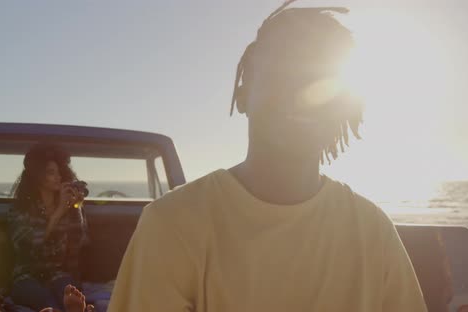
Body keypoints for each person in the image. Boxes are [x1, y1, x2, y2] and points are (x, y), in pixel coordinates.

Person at [108, 1, 427, 311]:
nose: (305, 95)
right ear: (244, 97)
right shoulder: (173, 224)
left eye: (324, 82)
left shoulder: (372, 229)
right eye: (283, 75)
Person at [8, 143, 89, 311]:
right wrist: (58, 212)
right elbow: (25, 245)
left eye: (59, 172)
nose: (58, 177)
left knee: (67, 291)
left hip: (57, 273)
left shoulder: (67, 207)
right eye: (51, 172)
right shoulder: (20, 209)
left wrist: (76, 207)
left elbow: (78, 242)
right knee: (41, 297)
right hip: (26, 275)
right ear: (37, 176)